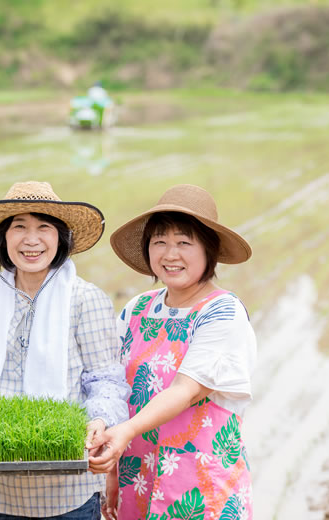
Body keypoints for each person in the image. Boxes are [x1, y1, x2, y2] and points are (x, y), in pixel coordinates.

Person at [0, 181, 130, 520]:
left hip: (69, 492)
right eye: (19, 227)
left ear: (60, 238)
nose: (31, 240)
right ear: (2, 239)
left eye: (43, 228)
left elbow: (105, 379)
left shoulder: (84, 299)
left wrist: (99, 419)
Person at [88, 184, 256, 519]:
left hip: (198, 486)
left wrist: (124, 433)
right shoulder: (137, 310)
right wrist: (112, 472)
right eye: (159, 242)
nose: (170, 254)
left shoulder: (222, 312)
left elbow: (186, 390)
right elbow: (117, 388)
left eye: (184, 242)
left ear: (209, 250)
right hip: (137, 479)